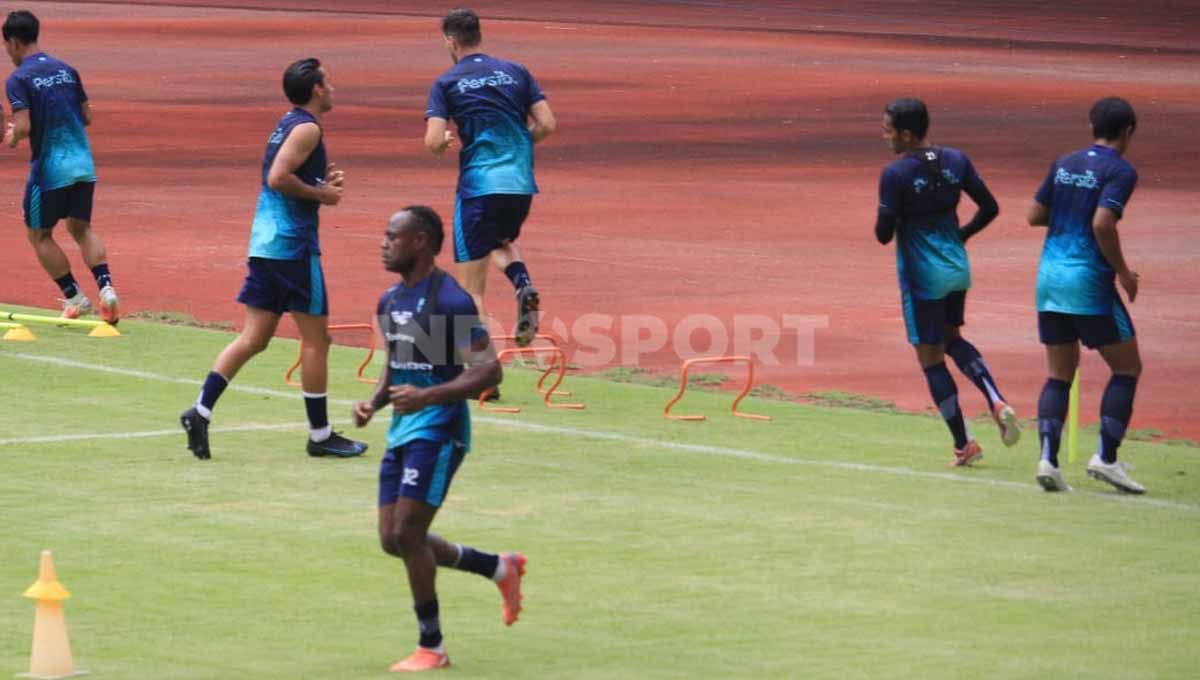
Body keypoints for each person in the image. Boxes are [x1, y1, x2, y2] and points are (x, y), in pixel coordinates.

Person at [353, 206, 525, 672]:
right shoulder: (390, 301)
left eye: (393, 236)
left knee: (408, 532)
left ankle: (433, 646)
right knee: (393, 539)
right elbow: (398, 367)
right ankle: (498, 567)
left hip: (442, 428)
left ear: (422, 242)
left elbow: (489, 370)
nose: (383, 243)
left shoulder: (451, 301)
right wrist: (375, 402)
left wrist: (428, 397)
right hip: (404, 428)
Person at [179, 58, 366, 461]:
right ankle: (320, 436)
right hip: (292, 249)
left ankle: (200, 410)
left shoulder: (289, 122)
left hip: (266, 245)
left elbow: (283, 178)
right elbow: (278, 178)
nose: (333, 87)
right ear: (316, 89)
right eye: (328, 82)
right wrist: (323, 195)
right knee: (318, 339)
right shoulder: (308, 128)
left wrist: (319, 185)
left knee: (255, 338)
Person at [875, 97, 1019, 466]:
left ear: (907, 134)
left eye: (888, 129)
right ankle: (995, 397)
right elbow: (990, 207)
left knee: (930, 358)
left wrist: (892, 210)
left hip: (923, 277)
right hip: (958, 268)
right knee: (953, 338)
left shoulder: (895, 174)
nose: (884, 135)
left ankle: (963, 443)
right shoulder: (956, 159)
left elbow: (883, 234)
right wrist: (962, 235)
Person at [1028, 97, 1145, 494]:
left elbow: (1034, 215)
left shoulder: (1064, 163)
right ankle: (1107, 459)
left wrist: (1067, 210)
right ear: (1128, 131)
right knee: (1127, 368)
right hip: (1088, 282)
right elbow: (1102, 223)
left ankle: (1047, 459)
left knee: (1059, 374)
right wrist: (1124, 273)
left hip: (1049, 278)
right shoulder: (1121, 171)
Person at [424, 7, 556, 348]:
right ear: (478, 35)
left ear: (451, 42)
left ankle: (484, 378)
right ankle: (522, 283)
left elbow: (433, 141)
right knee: (498, 240)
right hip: (520, 184)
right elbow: (547, 124)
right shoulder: (516, 71)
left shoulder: (447, 83)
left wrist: (445, 142)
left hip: (479, 186)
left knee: (471, 291)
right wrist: (519, 145)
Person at [3, 10, 118, 323]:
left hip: (51, 168)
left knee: (39, 235)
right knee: (81, 229)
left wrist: (12, 136)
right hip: (84, 161)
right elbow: (87, 117)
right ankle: (107, 288)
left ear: (13, 42)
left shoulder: (18, 79)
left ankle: (75, 298)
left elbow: (23, 126)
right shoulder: (67, 70)